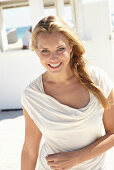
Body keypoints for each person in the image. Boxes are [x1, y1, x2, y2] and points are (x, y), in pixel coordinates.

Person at [21, 16, 114, 170]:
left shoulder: (98, 79)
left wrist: (77, 158)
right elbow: (30, 150)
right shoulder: (32, 95)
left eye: (60, 48)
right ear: (37, 52)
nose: (53, 57)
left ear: (71, 47)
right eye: (45, 51)